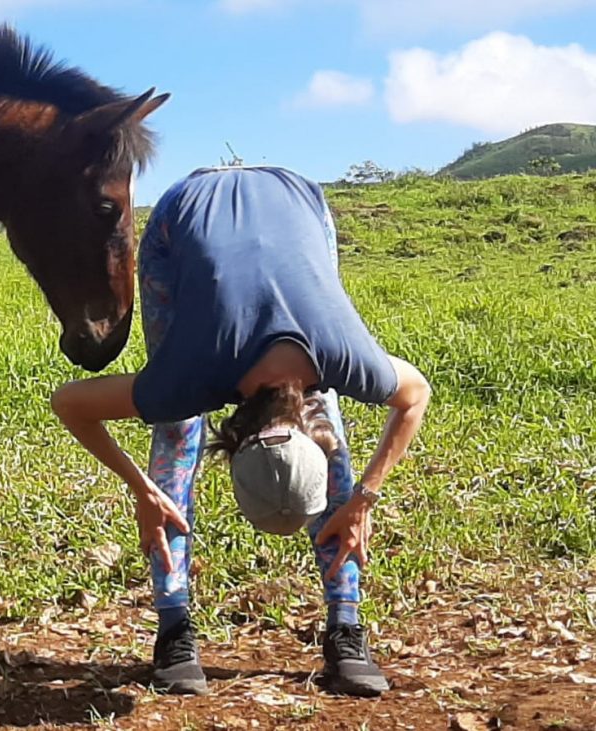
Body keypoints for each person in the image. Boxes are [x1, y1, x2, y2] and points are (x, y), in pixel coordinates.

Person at [50, 166, 431, 697]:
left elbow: (416, 394)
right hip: (185, 212)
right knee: (176, 430)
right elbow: (69, 402)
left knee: (329, 416)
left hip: (298, 198)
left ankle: (345, 626)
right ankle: (174, 628)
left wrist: (362, 500)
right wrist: (146, 492)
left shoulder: (343, 358)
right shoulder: (188, 378)